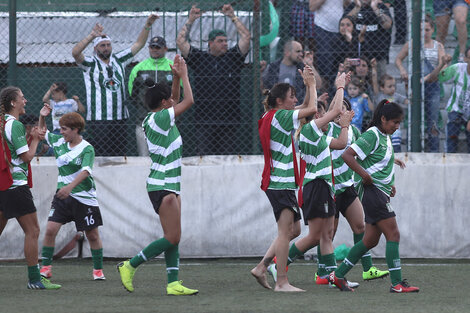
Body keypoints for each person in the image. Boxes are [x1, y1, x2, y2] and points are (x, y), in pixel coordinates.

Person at [117, 55, 198, 296]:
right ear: (163, 103)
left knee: (173, 237)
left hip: (167, 183)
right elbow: (189, 100)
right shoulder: (161, 119)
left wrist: (174, 77)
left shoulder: (159, 119)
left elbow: (174, 100)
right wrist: (184, 76)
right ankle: (130, 265)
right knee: (172, 236)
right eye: (169, 100)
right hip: (162, 184)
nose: (173, 101)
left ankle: (173, 283)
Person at [329, 99, 420, 293]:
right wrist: (365, 176)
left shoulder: (384, 135)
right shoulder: (372, 134)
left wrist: (390, 185)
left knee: (369, 240)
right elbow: (347, 155)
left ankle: (337, 276)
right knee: (393, 233)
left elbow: (379, 164)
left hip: (379, 191)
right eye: (394, 122)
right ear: (383, 118)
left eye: (399, 122)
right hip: (371, 191)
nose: (397, 126)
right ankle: (396, 284)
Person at [282, 73, 357, 287]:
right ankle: (279, 263)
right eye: (319, 114)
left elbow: (342, 143)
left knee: (326, 234)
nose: (325, 117)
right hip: (317, 186)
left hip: (323, 186)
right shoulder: (309, 129)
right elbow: (333, 110)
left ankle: (333, 277)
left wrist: (344, 124)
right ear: (314, 118)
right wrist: (340, 86)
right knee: (316, 236)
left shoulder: (318, 136)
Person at [250, 65, 317, 292]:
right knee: (283, 232)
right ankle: (281, 282)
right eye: (292, 97)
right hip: (281, 182)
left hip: (281, 182)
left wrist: (309, 87)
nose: (295, 100)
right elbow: (313, 108)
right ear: (280, 101)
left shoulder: (272, 115)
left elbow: (306, 107)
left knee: (294, 231)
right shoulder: (280, 116)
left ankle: (262, 267)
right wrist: (312, 84)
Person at [314, 98, 389, 286]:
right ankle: (322, 272)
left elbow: (366, 152)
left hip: (347, 188)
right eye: (337, 110)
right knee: (327, 234)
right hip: (330, 190)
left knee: (360, 227)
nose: (341, 113)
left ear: (350, 113)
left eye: (345, 110)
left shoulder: (355, 132)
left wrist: (390, 161)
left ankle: (367, 269)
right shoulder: (327, 130)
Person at [72, 13, 159, 156]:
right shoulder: (90, 63)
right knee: (102, 155)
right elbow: (75, 53)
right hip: (99, 119)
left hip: (120, 117)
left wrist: (148, 25)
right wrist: (92, 35)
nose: (106, 48)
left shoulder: (119, 59)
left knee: (119, 154)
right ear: (96, 48)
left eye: (108, 45)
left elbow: (139, 44)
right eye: (102, 46)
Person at [0, 86, 60, 290]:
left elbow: (18, 150)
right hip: (15, 185)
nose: (25, 101)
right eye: (22, 98)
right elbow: (26, 157)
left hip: (4, 184)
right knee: (32, 230)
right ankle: (35, 279)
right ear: (12, 103)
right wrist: (34, 139)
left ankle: (36, 278)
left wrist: (40, 123)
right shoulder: (14, 125)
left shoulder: (4, 123)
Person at [38, 108, 106, 281]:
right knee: (51, 230)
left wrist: (69, 187)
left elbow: (86, 172)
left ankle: (98, 270)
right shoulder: (59, 142)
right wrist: (42, 117)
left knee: (92, 235)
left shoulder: (87, 148)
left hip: (84, 197)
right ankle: (45, 268)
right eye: (60, 129)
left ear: (76, 130)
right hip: (62, 196)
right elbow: (42, 133)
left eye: (64, 129)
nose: (61, 132)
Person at [176, 4, 251, 155]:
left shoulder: (233, 57)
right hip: (204, 121)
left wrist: (232, 16)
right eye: (220, 41)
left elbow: (246, 37)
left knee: (227, 159)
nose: (225, 44)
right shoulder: (200, 58)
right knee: (204, 159)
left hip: (229, 120)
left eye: (226, 41)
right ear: (210, 43)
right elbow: (180, 42)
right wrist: (190, 20)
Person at [396, 15, 446, 152]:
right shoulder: (412, 44)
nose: (424, 33)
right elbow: (398, 59)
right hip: (415, 85)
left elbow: (444, 68)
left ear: (433, 30)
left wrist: (429, 77)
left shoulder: (438, 46)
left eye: (427, 29)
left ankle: (434, 151)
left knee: (433, 120)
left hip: (433, 86)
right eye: (421, 29)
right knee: (414, 119)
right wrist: (402, 70)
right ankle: (413, 149)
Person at [128, 36, 174, 156]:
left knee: (166, 155)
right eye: (152, 47)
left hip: (166, 121)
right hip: (144, 121)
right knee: (144, 157)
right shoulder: (138, 68)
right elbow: (132, 94)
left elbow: (180, 92)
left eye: (158, 47)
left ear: (165, 49)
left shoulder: (172, 67)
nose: (155, 50)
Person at [345, 0, 393, 79]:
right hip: (356, 55)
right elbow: (345, 22)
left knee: (378, 83)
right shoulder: (354, 6)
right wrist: (357, 8)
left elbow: (387, 25)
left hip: (378, 56)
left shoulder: (380, 6)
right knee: (357, 83)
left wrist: (375, 8)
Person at [438, 46, 470, 153]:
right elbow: (442, 77)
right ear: (465, 59)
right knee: (451, 138)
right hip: (455, 109)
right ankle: (449, 160)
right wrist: (444, 65)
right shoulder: (458, 68)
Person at [308, 0, 344, 90]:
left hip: (340, 30)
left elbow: (348, 4)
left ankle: (336, 93)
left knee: (338, 65)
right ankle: (323, 96)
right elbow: (311, 7)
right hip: (323, 28)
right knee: (324, 66)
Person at [376, 74, 408, 152]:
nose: (393, 88)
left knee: (396, 137)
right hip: (383, 124)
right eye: (389, 86)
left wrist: (407, 88)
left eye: (394, 86)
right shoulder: (380, 97)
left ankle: (396, 153)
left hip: (394, 124)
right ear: (382, 88)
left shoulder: (396, 96)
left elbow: (407, 101)